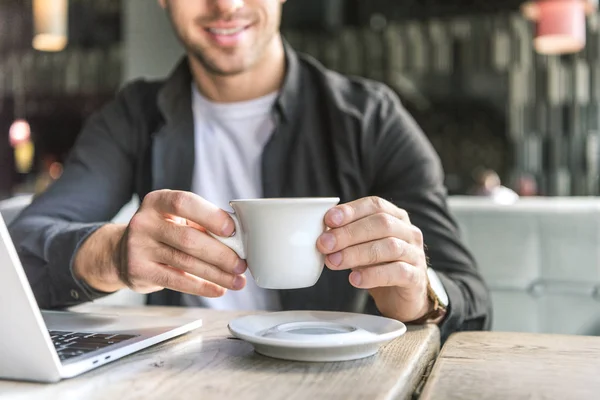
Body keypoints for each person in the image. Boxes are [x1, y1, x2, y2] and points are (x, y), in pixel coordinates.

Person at [9, 0, 491, 341]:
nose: (227, 5)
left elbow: (472, 302)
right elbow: (22, 251)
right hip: (181, 379)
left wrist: (417, 294)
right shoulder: (132, 117)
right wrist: (113, 255)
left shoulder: (370, 119)